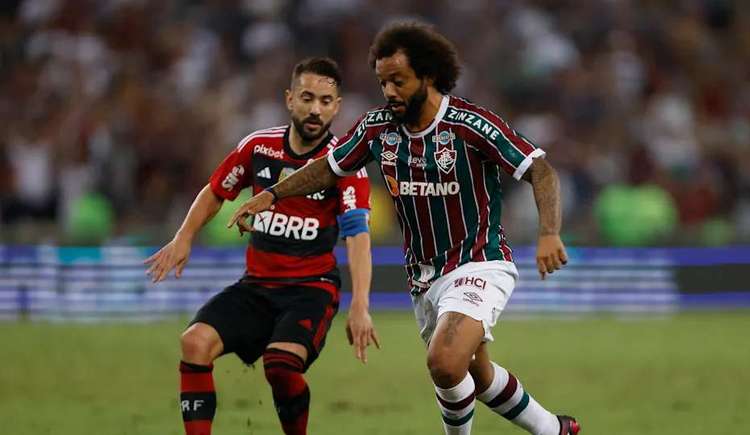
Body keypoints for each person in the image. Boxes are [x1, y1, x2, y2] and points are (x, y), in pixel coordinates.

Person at [228, 22, 580, 435]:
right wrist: (271, 194)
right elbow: (328, 168)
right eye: (383, 82)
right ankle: (555, 430)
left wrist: (549, 232)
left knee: (444, 364)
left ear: (428, 76)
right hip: (424, 277)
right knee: (477, 375)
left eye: (399, 81)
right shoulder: (377, 128)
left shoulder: (470, 125)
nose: (389, 91)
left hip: (479, 261)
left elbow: (540, 170)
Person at [144, 57, 378, 435]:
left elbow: (358, 236)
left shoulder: (345, 165)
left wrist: (361, 305)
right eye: (307, 98)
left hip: (310, 290)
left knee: (281, 365)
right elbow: (216, 190)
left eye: (324, 100)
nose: (315, 109)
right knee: (195, 343)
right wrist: (183, 237)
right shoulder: (259, 147)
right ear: (289, 100)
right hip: (256, 287)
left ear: (337, 107)